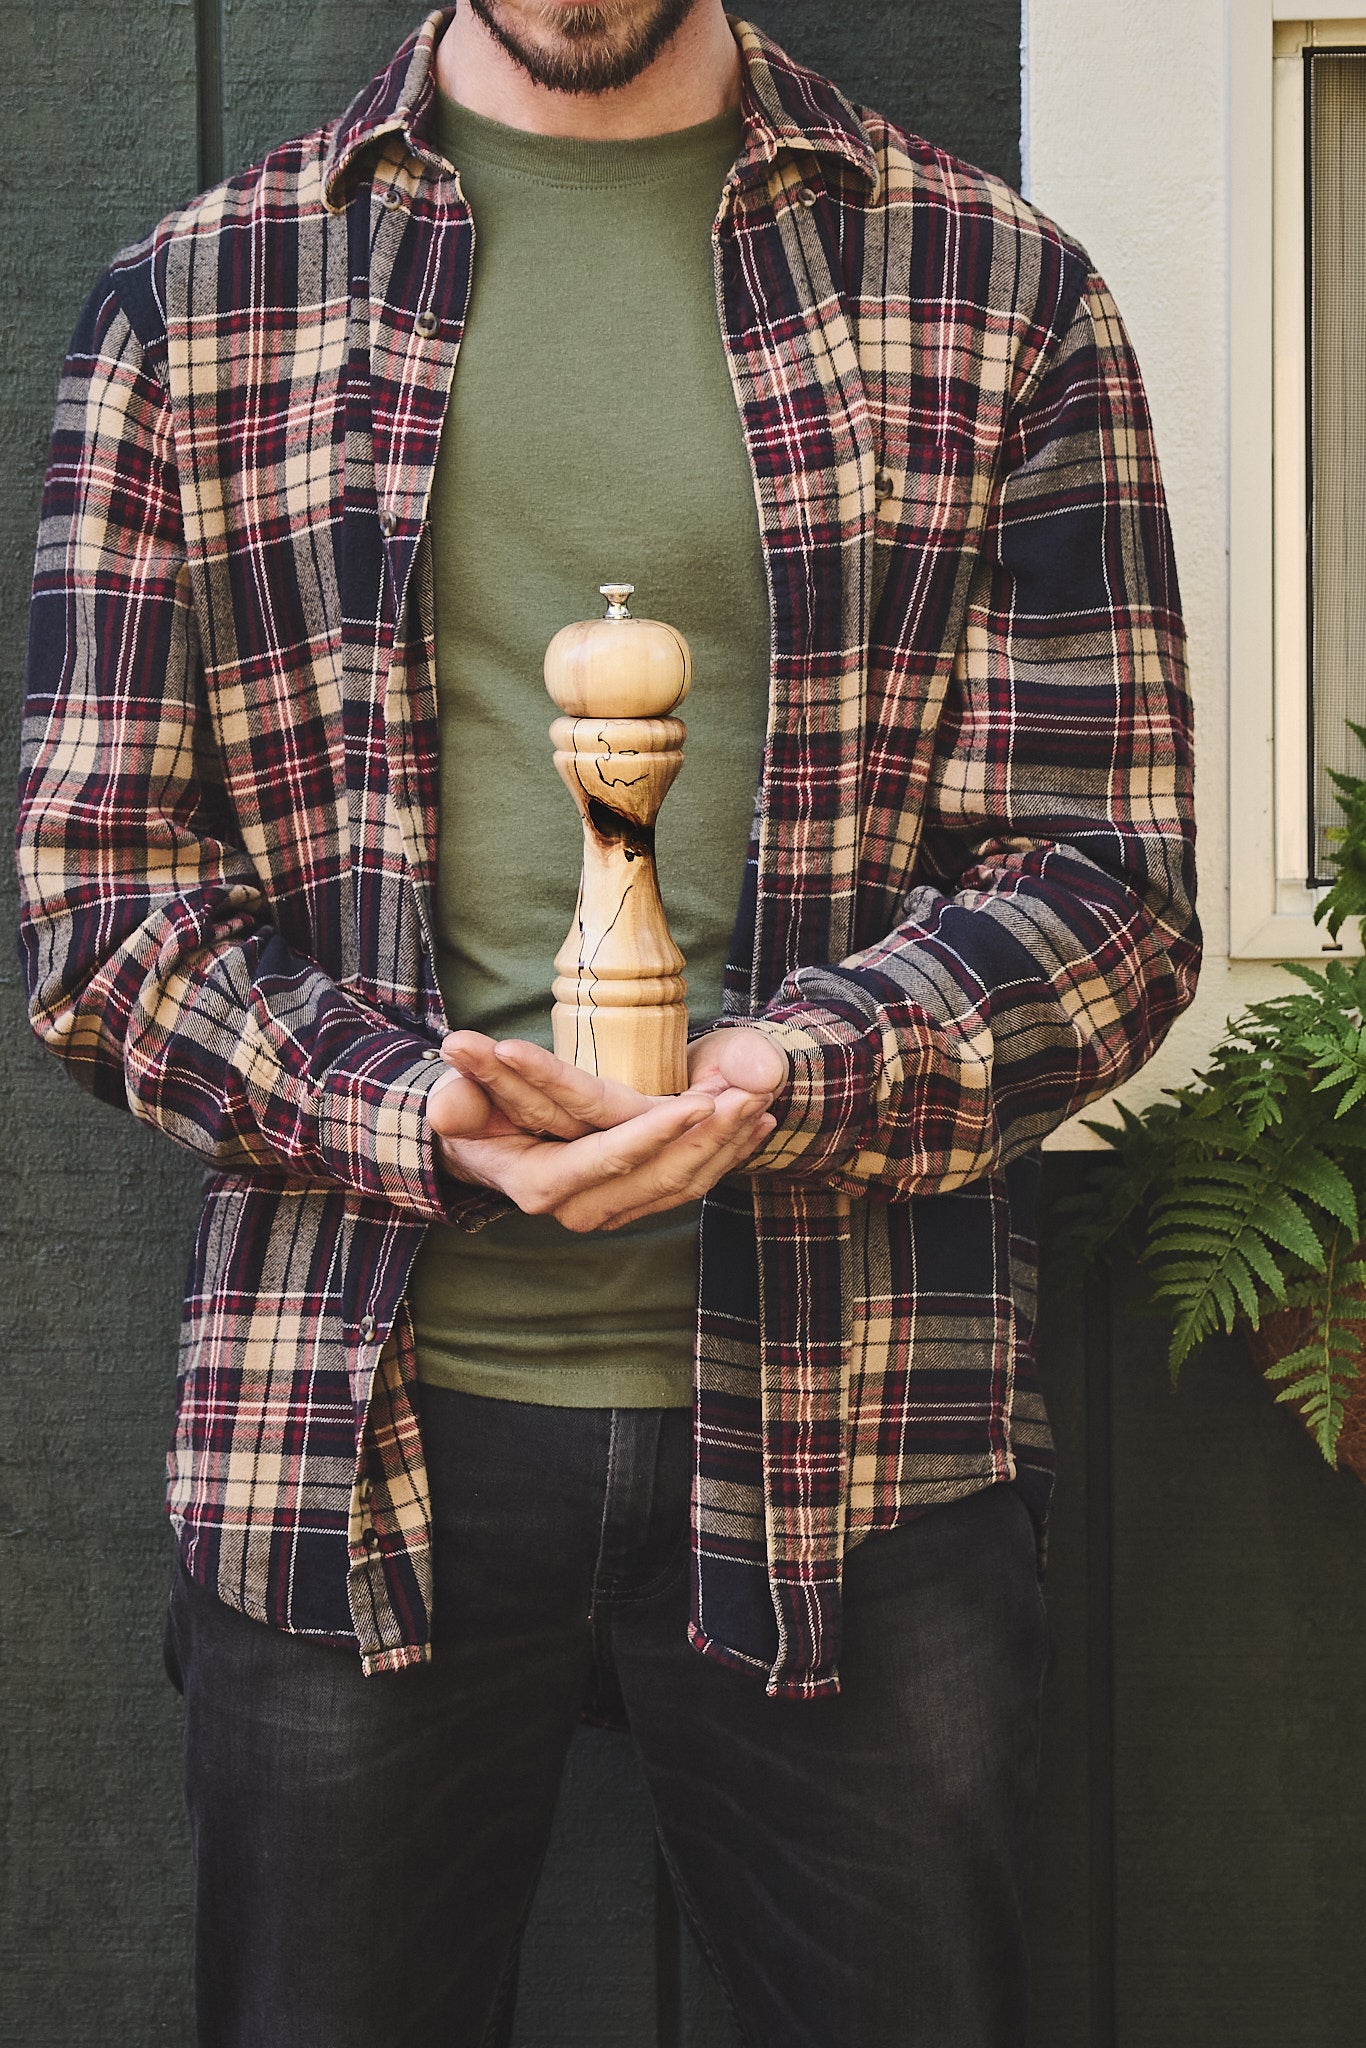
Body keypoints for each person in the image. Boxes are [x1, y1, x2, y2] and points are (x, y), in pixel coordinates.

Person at [15, 3, 1199, 2043]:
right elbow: (97, 907)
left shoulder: (992, 288)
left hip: (860, 1434)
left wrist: (792, 1070)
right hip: (344, 1431)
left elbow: (1105, 888)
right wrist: (409, 1105)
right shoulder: (199, 304)